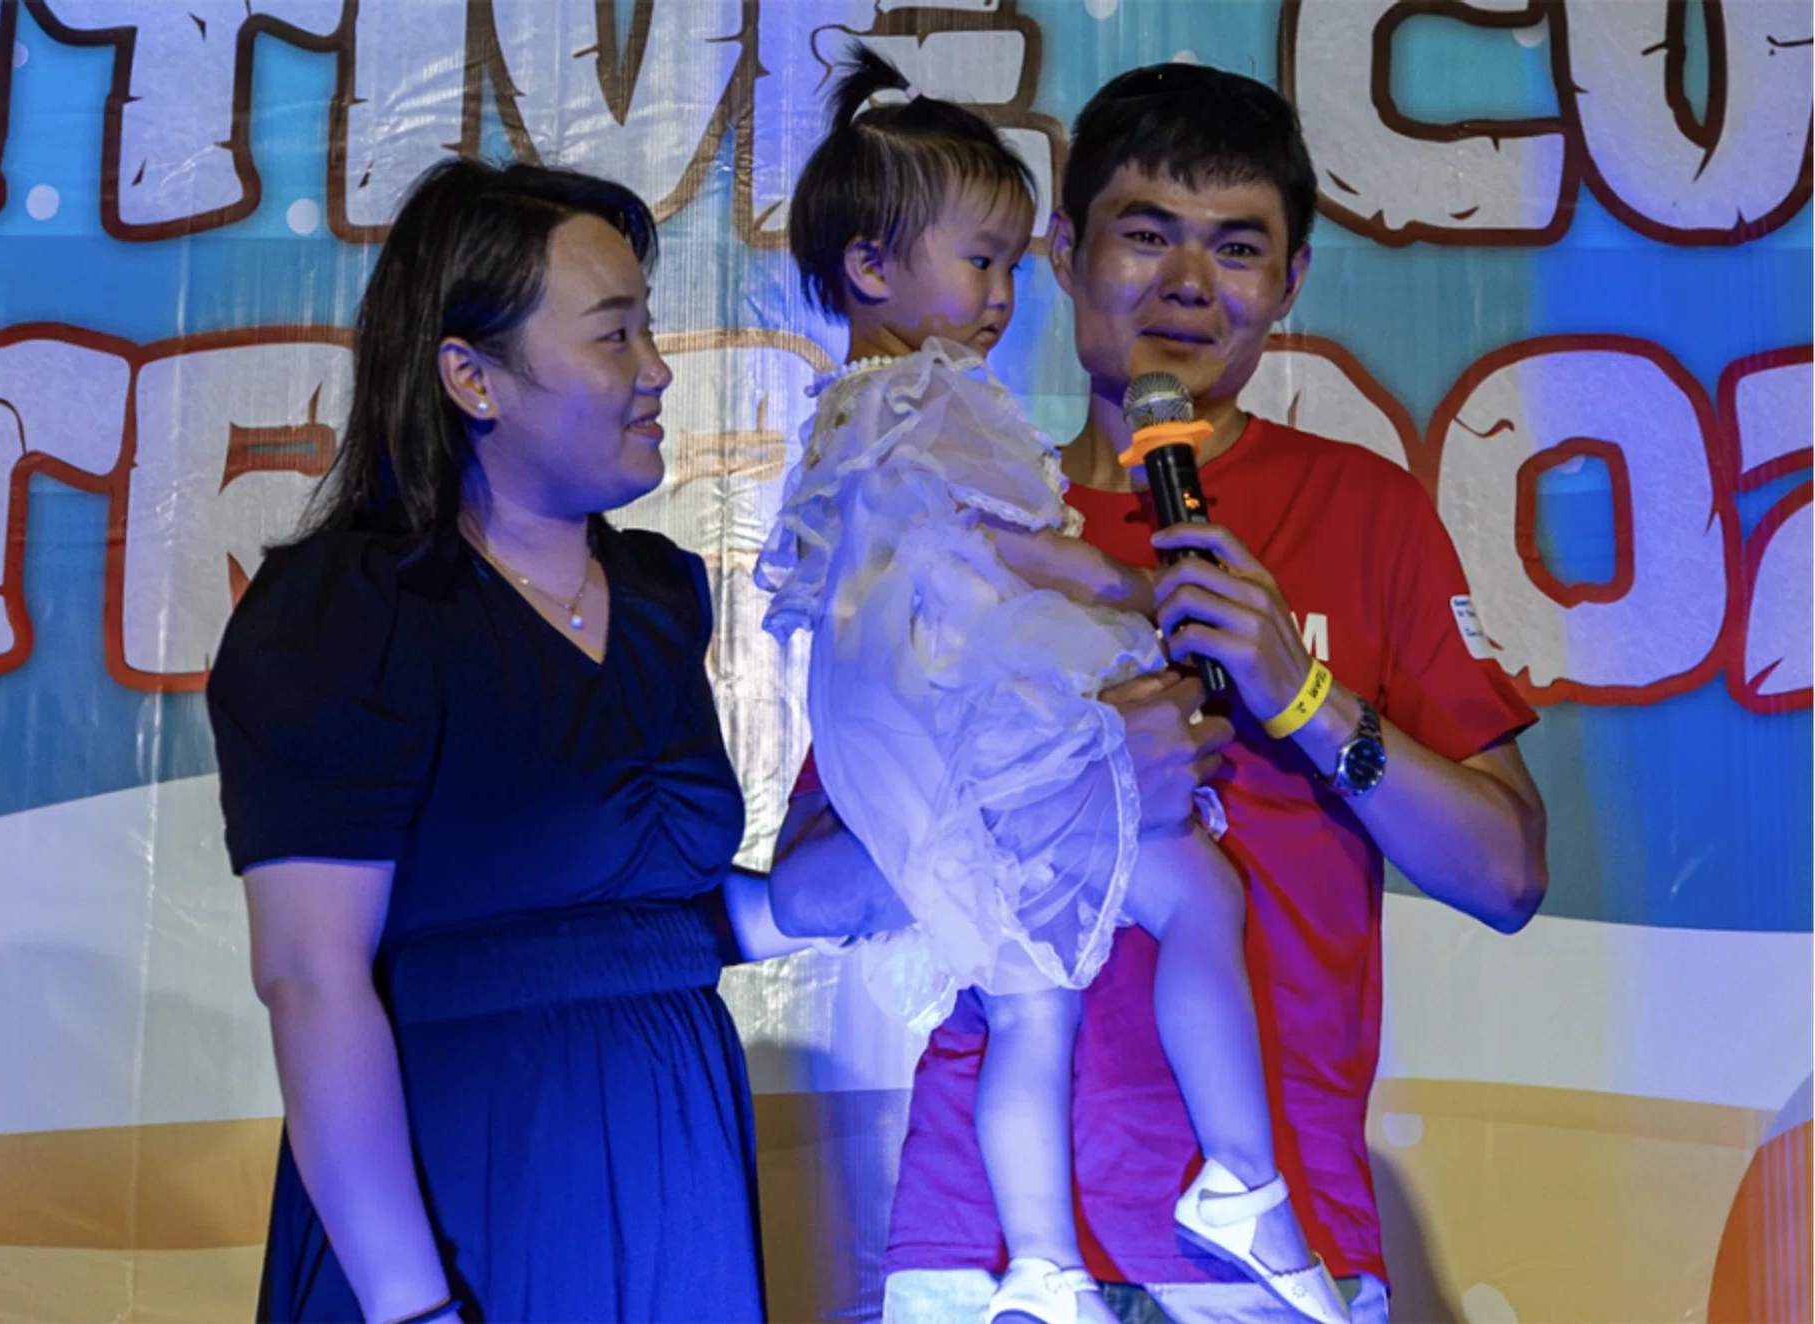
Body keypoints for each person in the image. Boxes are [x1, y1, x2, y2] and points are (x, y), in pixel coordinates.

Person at [767, 62, 1549, 1324]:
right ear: (1065, 252)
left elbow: (1506, 873)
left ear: (1289, 287)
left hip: (1268, 1235)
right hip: (990, 1238)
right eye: (1146, 235)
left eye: (1238, 248)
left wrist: (1304, 698)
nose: (1190, 284)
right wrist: (1065, 779)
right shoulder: (962, 504)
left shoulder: (1367, 508)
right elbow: (809, 889)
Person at [205, 159, 803, 1324]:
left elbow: (655, 927)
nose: (658, 371)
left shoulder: (660, 594)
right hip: (470, 1191)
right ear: (472, 378)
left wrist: (848, 890)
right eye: (615, 336)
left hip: (678, 1171)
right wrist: (411, 1304)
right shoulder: (348, 614)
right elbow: (309, 974)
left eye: (650, 331)